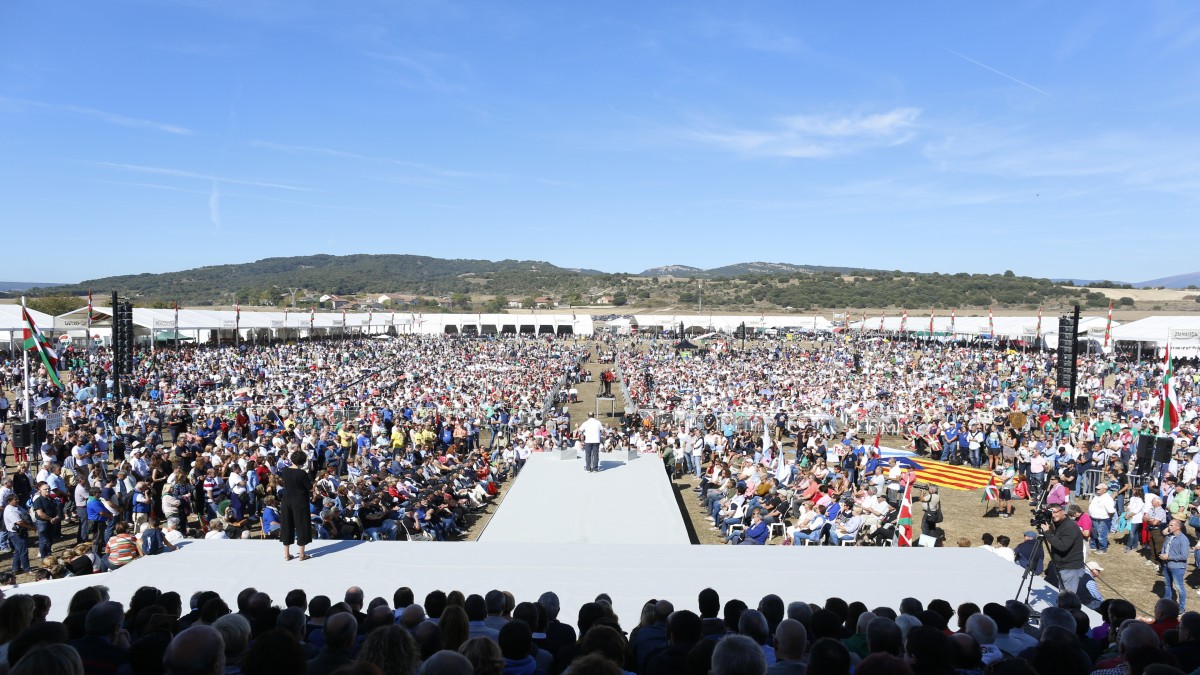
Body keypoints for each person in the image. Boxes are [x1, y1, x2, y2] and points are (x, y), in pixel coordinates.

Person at [280, 450, 314, 561]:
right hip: (300, 501)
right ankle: (301, 554)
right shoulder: (302, 473)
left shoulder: (284, 471)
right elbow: (309, 487)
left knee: (287, 525)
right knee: (302, 525)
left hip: (286, 500)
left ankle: (286, 554)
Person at [1045, 504, 1086, 594]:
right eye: (1050, 513)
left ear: (1063, 511)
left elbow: (1063, 546)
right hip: (1064, 566)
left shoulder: (1069, 527)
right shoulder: (1060, 524)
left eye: (1055, 512)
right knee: (1064, 597)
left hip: (1070, 568)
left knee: (1067, 600)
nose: (1053, 515)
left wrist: (1047, 533)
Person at [1161, 518, 1191, 612]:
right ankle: (1166, 603)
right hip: (1166, 564)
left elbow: (1184, 556)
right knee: (1167, 584)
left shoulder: (1183, 540)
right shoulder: (1170, 536)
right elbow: (1165, 545)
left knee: (1179, 587)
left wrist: (1168, 557)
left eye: (1171, 525)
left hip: (1177, 567)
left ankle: (1181, 608)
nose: (1168, 527)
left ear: (1178, 527)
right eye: (1168, 525)